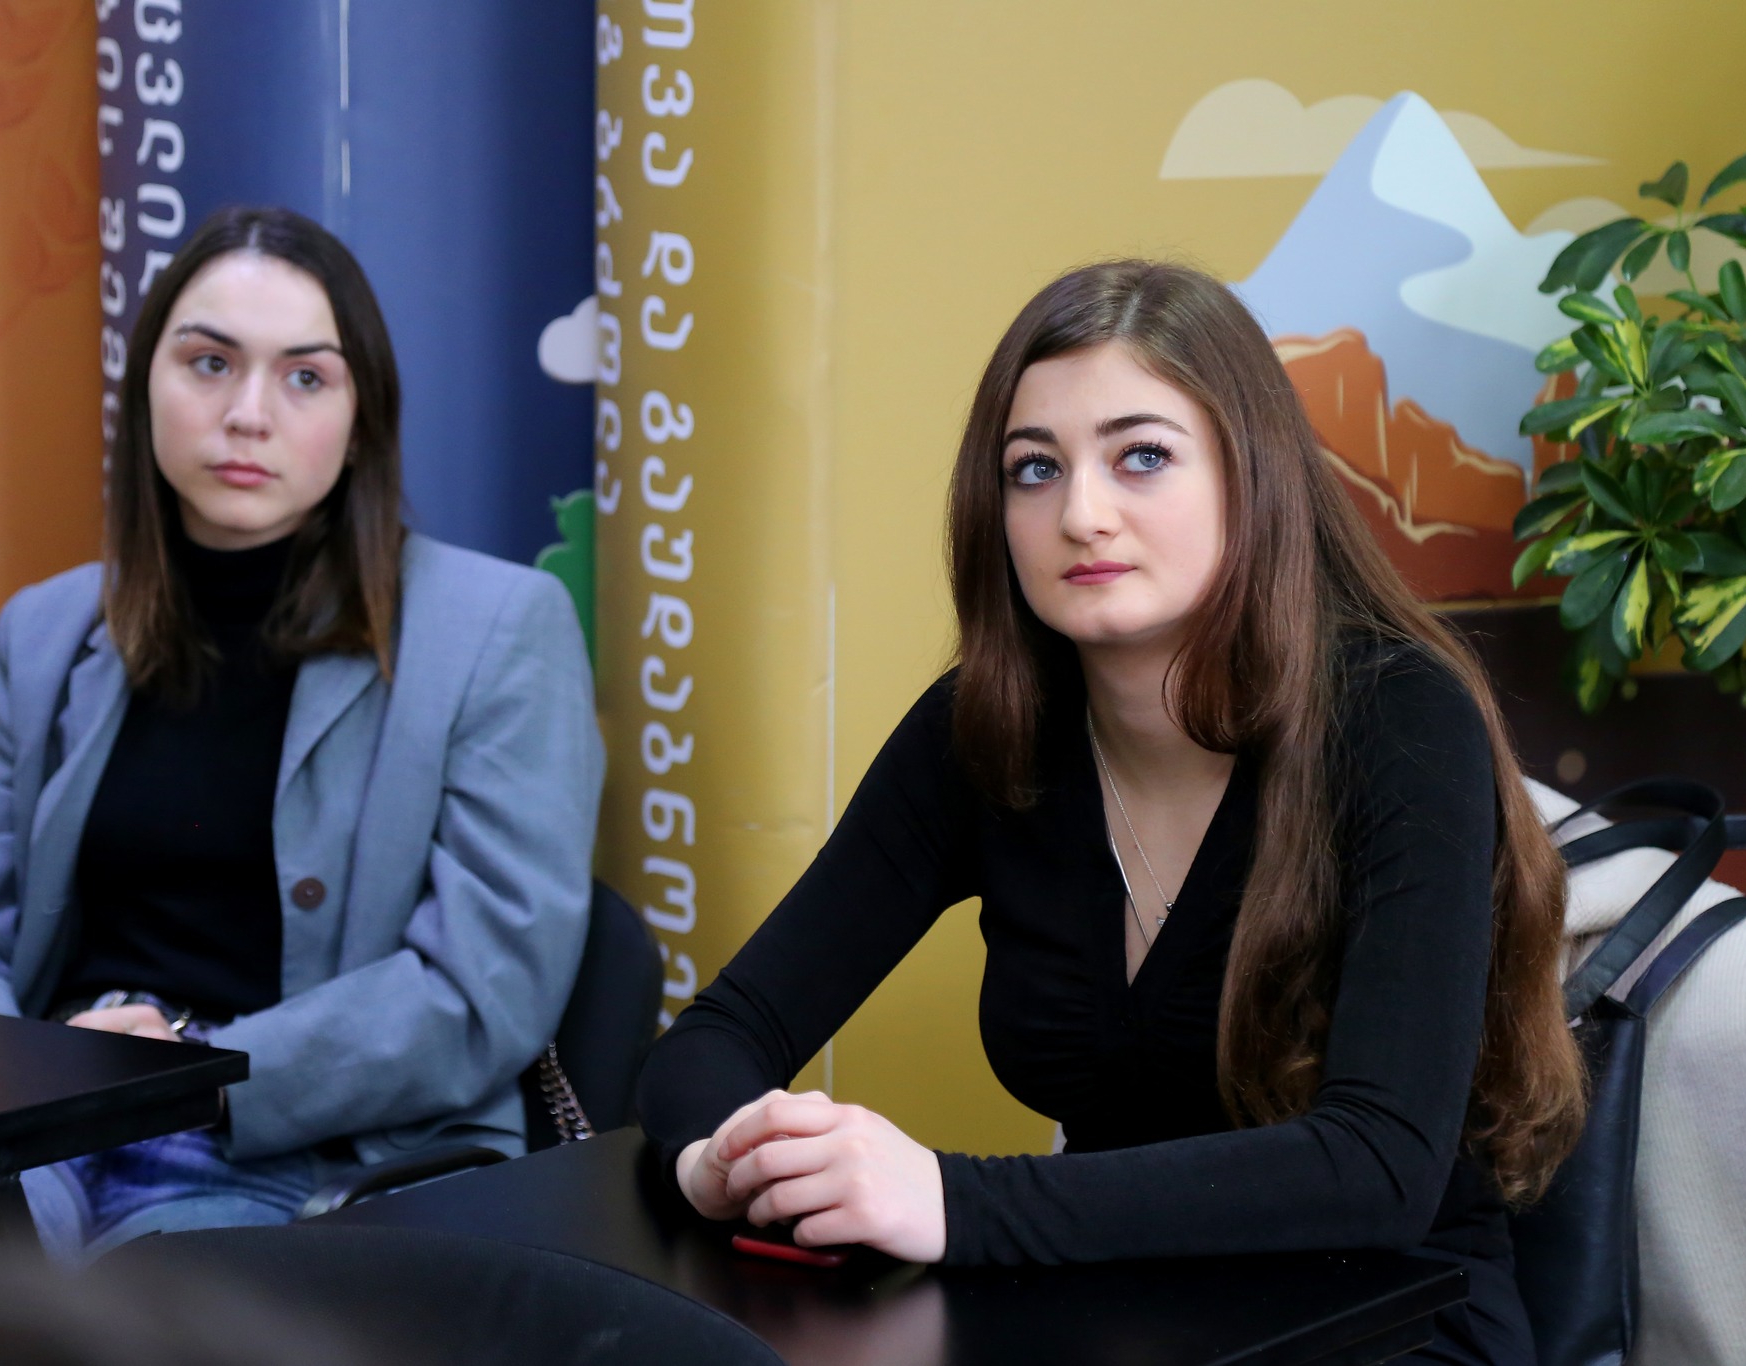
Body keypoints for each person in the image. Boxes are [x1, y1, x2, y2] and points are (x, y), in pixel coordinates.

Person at [635, 260, 1585, 1364]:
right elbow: (722, 1034)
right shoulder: (984, 730)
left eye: (1142, 456)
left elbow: (1377, 1164)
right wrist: (721, 1159)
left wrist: (949, 1200)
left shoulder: (1397, 716)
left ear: (1251, 474)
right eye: (1034, 470)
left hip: (1393, 1323)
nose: (1081, 515)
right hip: (1110, 1312)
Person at [0, 206, 603, 1259]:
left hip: (301, 1148)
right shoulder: (49, 628)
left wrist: (186, 1070)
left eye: (305, 377)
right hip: (43, 1121)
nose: (248, 414)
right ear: (145, 390)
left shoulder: (496, 629)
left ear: (362, 419)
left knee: (140, 1322)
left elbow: (484, 990)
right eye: (209, 363)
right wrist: (23, 1074)